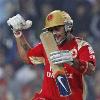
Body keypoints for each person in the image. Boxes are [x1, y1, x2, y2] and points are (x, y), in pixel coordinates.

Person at [7, 10, 96, 100]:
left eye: (57, 29)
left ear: (68, 27)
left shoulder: (82, 46)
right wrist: (18, 34)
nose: (54, 33)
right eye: (50, 30)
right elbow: (27, 57)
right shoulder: (48, 44)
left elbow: (91, 70)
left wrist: (72, 60)